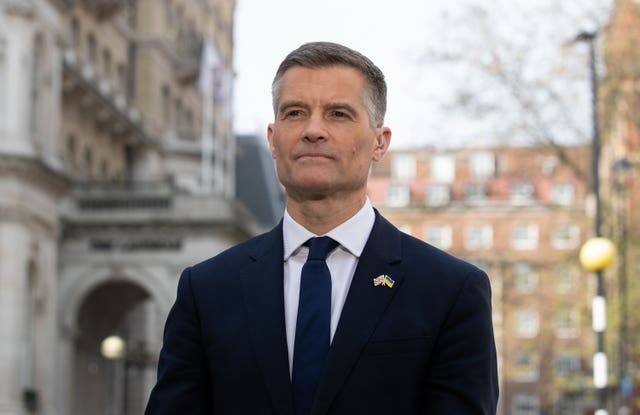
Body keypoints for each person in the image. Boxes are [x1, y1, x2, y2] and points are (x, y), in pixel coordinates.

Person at [145, 41, 498, 415]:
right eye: (295, 113)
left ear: (380, 142)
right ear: (273, 139)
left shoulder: (450, 291)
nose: (313, 130)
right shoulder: (206, 291)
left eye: (338, 114)